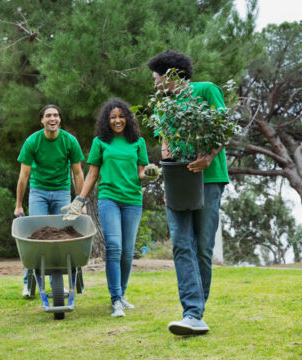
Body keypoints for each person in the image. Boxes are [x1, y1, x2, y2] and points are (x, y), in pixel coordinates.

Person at [147, 50, 229, 335]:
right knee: (182, 244)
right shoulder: (163, 106)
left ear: (170, 74)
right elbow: (167, 146)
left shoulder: (206, 90)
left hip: (210, 178)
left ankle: (196, 311)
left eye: (156, 78)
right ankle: (193, 313)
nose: (155, 84)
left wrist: (208, 156)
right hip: (179, 182)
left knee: (203, 248)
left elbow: (223, 129)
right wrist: (170, 184)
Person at [62, 98, 157, 317]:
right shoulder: (100, 142)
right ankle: (115, 300)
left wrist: (150, 173)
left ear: (128, 119)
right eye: (113, 117)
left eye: (121, 116)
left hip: (132, 199)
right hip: (109, 198)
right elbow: (93, 173)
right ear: (107, 120)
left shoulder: (138, 142)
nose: (117, 120)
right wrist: (80, 199)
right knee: (113, 247)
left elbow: (140, 173)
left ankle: (122, 295)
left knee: (126, 251)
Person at [14, 105, 85, 296]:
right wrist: (19, 205)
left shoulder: (69, 141)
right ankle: (28, 282)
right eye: (48, 116)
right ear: (42, 121)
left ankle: (65, 278)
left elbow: (77, 173)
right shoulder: (33, 141)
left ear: (59, 120)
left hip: (62, 191)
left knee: (64, 234)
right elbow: (23, 176)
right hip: (39, 191)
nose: (52, 118)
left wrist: (81, 202)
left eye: (55, 115)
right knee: (36, 235)